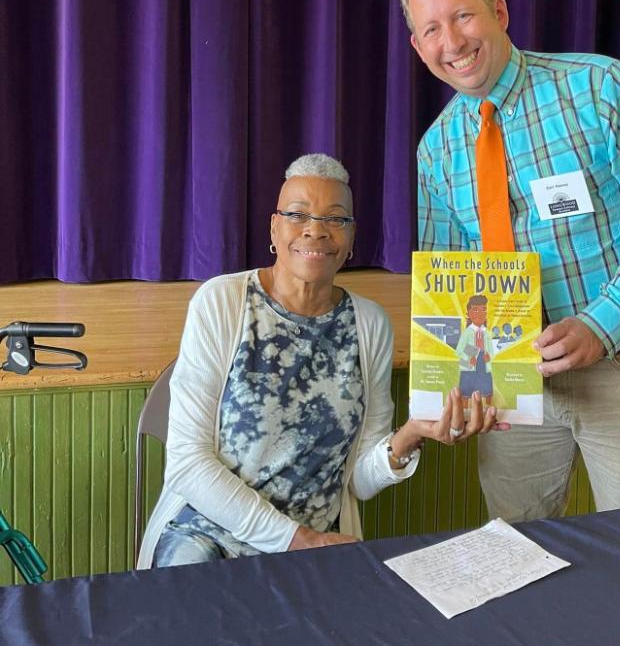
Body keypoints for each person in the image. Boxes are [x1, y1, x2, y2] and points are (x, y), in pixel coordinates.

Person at [399, 0, 620, 522]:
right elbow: (453, 279)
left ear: (500, 12)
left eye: (464, 16)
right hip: (513, 388)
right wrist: (461, 385)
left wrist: (602, 323)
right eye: (431, 29)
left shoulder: (600, 88)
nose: (453, 42)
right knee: (518, 552)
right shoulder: (436, 150)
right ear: (418, 47)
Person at [138, 153, 502, 569]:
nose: (316, 230)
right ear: (274, 228)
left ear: (350, 238)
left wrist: (411, 434)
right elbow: (188, 465)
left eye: (335, 219)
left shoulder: (369, 324)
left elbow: (359, 482)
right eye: (298, 215)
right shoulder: (222, 301)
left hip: (315, 544)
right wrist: (296, 540)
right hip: (209, 533)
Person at [456, 294, 495, 407]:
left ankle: (488, 408)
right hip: (469, 364)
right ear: (468, 313)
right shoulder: (467, 332)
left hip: (483, 363)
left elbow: (491, 350)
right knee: (466, 390)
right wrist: (469, 357)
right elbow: (459, 350)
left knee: (487, 388)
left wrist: (488, 356)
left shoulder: (487, 333)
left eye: (483, 310)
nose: (480, 313)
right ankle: (464, 410)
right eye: (476, 310)